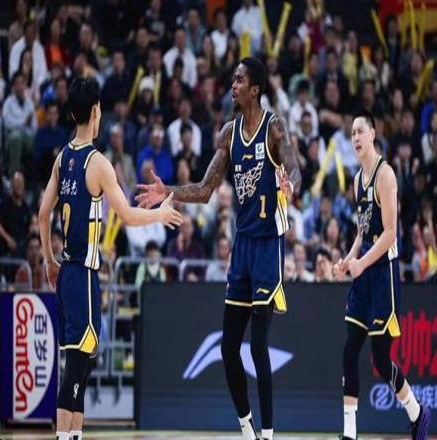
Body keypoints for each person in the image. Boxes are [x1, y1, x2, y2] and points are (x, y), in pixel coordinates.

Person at [136, 57, 301, 440]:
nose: (233, 86)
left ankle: (269, 435)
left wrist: (289, 183)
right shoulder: (229, 133)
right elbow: (206, 189)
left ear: (255, 89)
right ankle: (247, 429)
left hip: (268, 245)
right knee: (228, 348)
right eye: (233, 80)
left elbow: (293, 164)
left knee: (258, 347)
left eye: (239, 80)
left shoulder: (273, 127)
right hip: (242, 247)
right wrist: (168, 192)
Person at [38, 77, 182, 440]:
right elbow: (128, 216)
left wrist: (49, 260)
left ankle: (73, 436)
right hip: (83, 274)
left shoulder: (61, 159)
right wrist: (160, 215)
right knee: (75, 368)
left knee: (80, 367)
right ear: (96, 111)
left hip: (66, 271)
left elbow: (42, 215)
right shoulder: (98, 163)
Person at [333, 113, 430, 440]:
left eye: (360, 131)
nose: (355, 138)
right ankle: (349, 433)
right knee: (349, 350)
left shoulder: (385, 175)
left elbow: (390, 234)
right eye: (352, 133)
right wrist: (347, 261)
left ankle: (417, 412)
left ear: (374, 134)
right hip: (363, 272)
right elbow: (362, 233)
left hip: (383, 274)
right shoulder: (357, 180)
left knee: (380, 359)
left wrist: (361, 263)